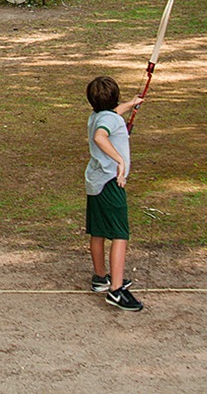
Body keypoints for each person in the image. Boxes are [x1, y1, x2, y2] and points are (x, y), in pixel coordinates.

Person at [84, 75, 144, 312]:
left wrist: (131, 104)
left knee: (98, 231)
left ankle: (100, 278)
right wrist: (119, 160)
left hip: (95, 182)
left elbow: (111, 115)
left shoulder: (98, 115)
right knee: (120, 234)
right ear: (114, 97)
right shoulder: (106, 121)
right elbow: (101, 136)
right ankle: (116, 291)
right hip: (110, 183)